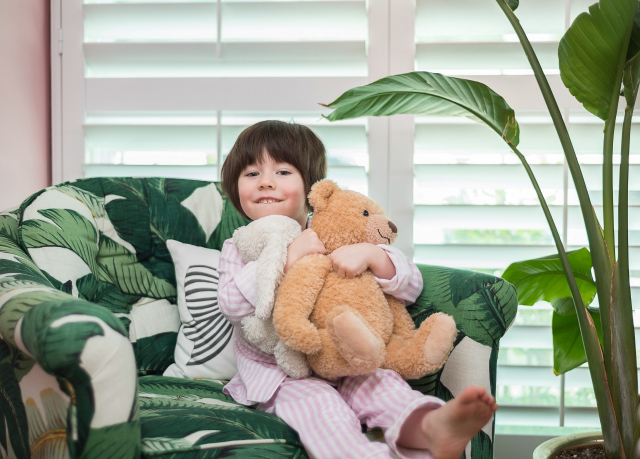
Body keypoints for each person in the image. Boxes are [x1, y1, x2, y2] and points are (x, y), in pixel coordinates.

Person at [218, 120, 497, 459]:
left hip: (349, 359)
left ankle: (431, 427)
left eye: (282, 172)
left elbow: (411, 285)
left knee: (385, 389)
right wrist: (287, 259)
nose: (265, 182)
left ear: (311, 187)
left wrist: (371, 255)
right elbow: (231, 303)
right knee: (321, 408)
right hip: (283, 377)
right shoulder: (238, 248)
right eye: (251, 173)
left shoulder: (336, 229)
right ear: (235, 187)